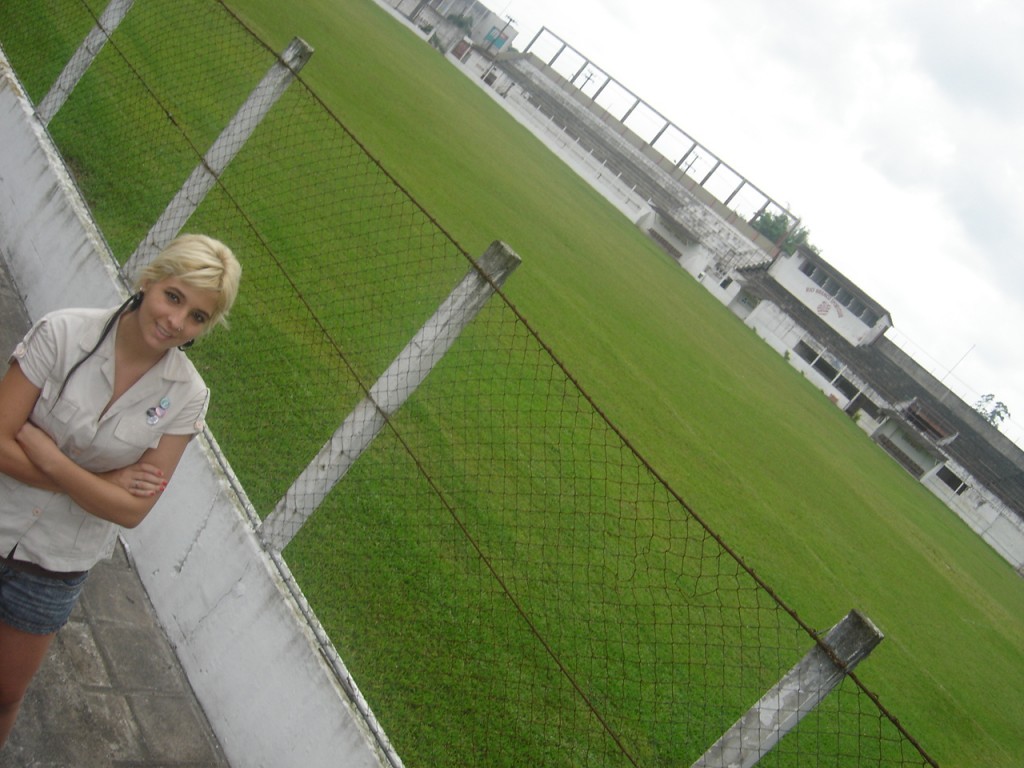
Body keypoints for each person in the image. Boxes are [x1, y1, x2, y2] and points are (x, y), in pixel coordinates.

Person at [0, 234, 241, 746]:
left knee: (4, 693)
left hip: (53, 566)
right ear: (149, 281)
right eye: (174, 297)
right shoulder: (63, 333)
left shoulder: (188, 398)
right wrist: (98, 485)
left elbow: (132, 511)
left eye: (197, 316)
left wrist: (48, 459)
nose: (176, 322)